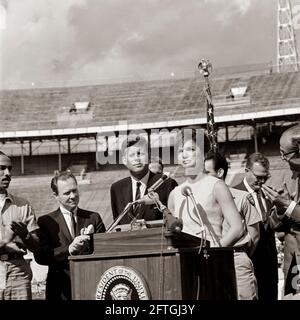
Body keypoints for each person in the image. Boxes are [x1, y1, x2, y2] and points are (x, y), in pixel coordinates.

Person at [34, 171, 106, 300]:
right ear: (56, 196)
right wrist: (69, 250)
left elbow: (104, 251)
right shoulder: (45, 221)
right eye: (67, 193)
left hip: (91, 285)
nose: (72, 196)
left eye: (74, 191)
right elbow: (41, 257)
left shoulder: (94, 218)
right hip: (60, 290)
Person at [168, 127, 243, 248]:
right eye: (180, 151)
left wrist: (215, 250)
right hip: (184, 260)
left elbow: (237, 228)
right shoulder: (174, 194)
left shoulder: (217, 186)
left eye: (191, 149)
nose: (184, 155)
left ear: (204, 153)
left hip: (210, 260)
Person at [204, 151, 260, 300]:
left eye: (206, 173)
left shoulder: (242, 198)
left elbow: (254, 236)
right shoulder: (200, 203)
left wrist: (240, 254)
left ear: (220, 172)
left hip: (236, 258)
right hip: (208, 261)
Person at [234, 153, 278, 300]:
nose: (262, 181)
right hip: (248, 265)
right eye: (258, 177)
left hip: (270, 266)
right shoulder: (233, 194)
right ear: (247, 171)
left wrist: (282, 209)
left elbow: (272, 226)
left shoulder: (270, 194)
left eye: (265, 177)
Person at [262, 124, 300, 295]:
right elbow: (274, 225)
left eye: (285, 154)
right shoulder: (288, 177)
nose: (282, 159)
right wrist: (279, 209)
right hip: (293, 262)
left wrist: (288, 205)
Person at [110, 134, 177, 224]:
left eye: (140, 154)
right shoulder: (117, 189)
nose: (137, 159)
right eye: (131, 155)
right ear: (124, 161)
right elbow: (118, 226)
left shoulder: (167, 184)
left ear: (149, 157)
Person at [0, 151, 39, 300]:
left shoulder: (23, 205)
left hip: (19, 274)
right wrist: (5, 243)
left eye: (9, 168)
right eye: (2, 168)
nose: (8, 173)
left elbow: (36, 247)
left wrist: (26, 235)